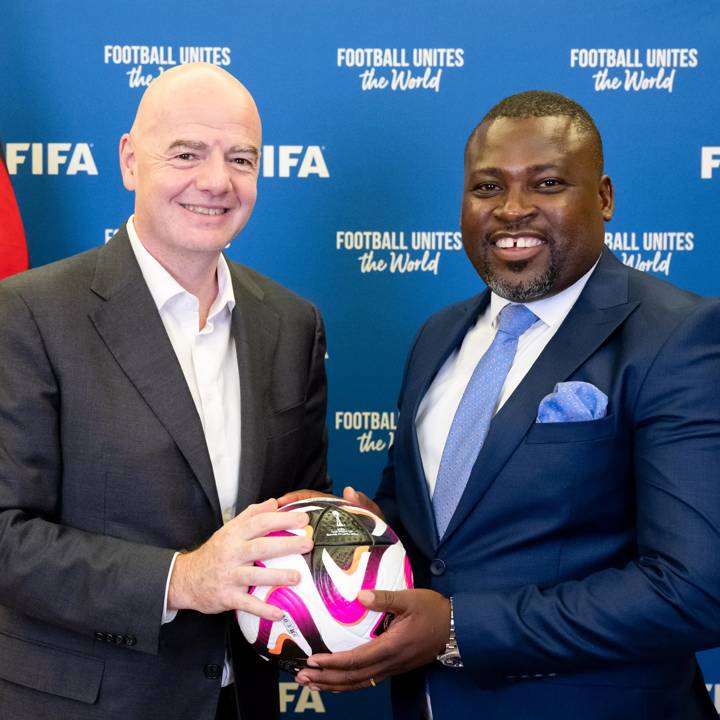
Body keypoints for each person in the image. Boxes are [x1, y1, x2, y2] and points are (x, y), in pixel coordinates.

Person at [290, 91, 720, 719]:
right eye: (488, 187)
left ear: (603, 197)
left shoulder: (677, 336)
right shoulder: (438, 335)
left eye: (546, 183)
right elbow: (433, 536)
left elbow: (694, 590)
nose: (512, 210)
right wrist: (359, 539)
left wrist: (461, 628)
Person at [0, 63, 329, 720]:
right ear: (129, 160)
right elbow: (6, 537)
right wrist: (183, 578)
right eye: (187, 153)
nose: (217, 181)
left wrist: (338, 541)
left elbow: (294, 512)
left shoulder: (292, 324)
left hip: (243, 702)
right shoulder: (29, 313)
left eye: (241, 158)